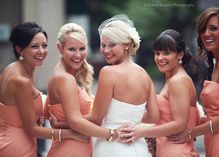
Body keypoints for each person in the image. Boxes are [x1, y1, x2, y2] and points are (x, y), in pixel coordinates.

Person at [0, 22, 83, 157]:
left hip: (8, 138)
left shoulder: (12, 68)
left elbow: (17, 111)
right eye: (35, 47)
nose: (41, 51)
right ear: (20, 50)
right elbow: (33, 129)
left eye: (44, 45)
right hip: (17, 146)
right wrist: (73, 134)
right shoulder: (21, 80)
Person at [45, 23, 123, 157]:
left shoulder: (67, 74)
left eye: (82, 48)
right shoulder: (64, 78)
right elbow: (75, 121)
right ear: (60, 48)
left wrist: (61, 124)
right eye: (71, 49)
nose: (78, 55)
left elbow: (47, 111)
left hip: (77, 146)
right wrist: (112, 134)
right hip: (70, 150)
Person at [120, 29, 200, 157]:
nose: (160, 58)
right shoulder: (173, 78)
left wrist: (141, 132)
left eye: (166, 53)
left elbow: (179, 124)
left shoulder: (178, 81)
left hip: (176, 152)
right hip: (167, 149)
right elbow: (162, 118)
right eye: (157, 53)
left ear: (180, 55)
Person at [89, 14, 158, 157]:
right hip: (138, 147)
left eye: (112, 45)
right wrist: (132, 122)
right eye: (103, 45)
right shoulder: (144, 74)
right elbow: (154, 116)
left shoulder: (108, 73)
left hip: (112, 146)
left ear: (127, 44)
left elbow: (96, 118)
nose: (106, 50)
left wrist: (71, 119)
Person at [170, 7, 219, 157]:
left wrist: (191, 132)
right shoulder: (217, 63)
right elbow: (218, 113)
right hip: (215, 137)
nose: (206, 34)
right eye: (203, 29)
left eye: (213, 28)